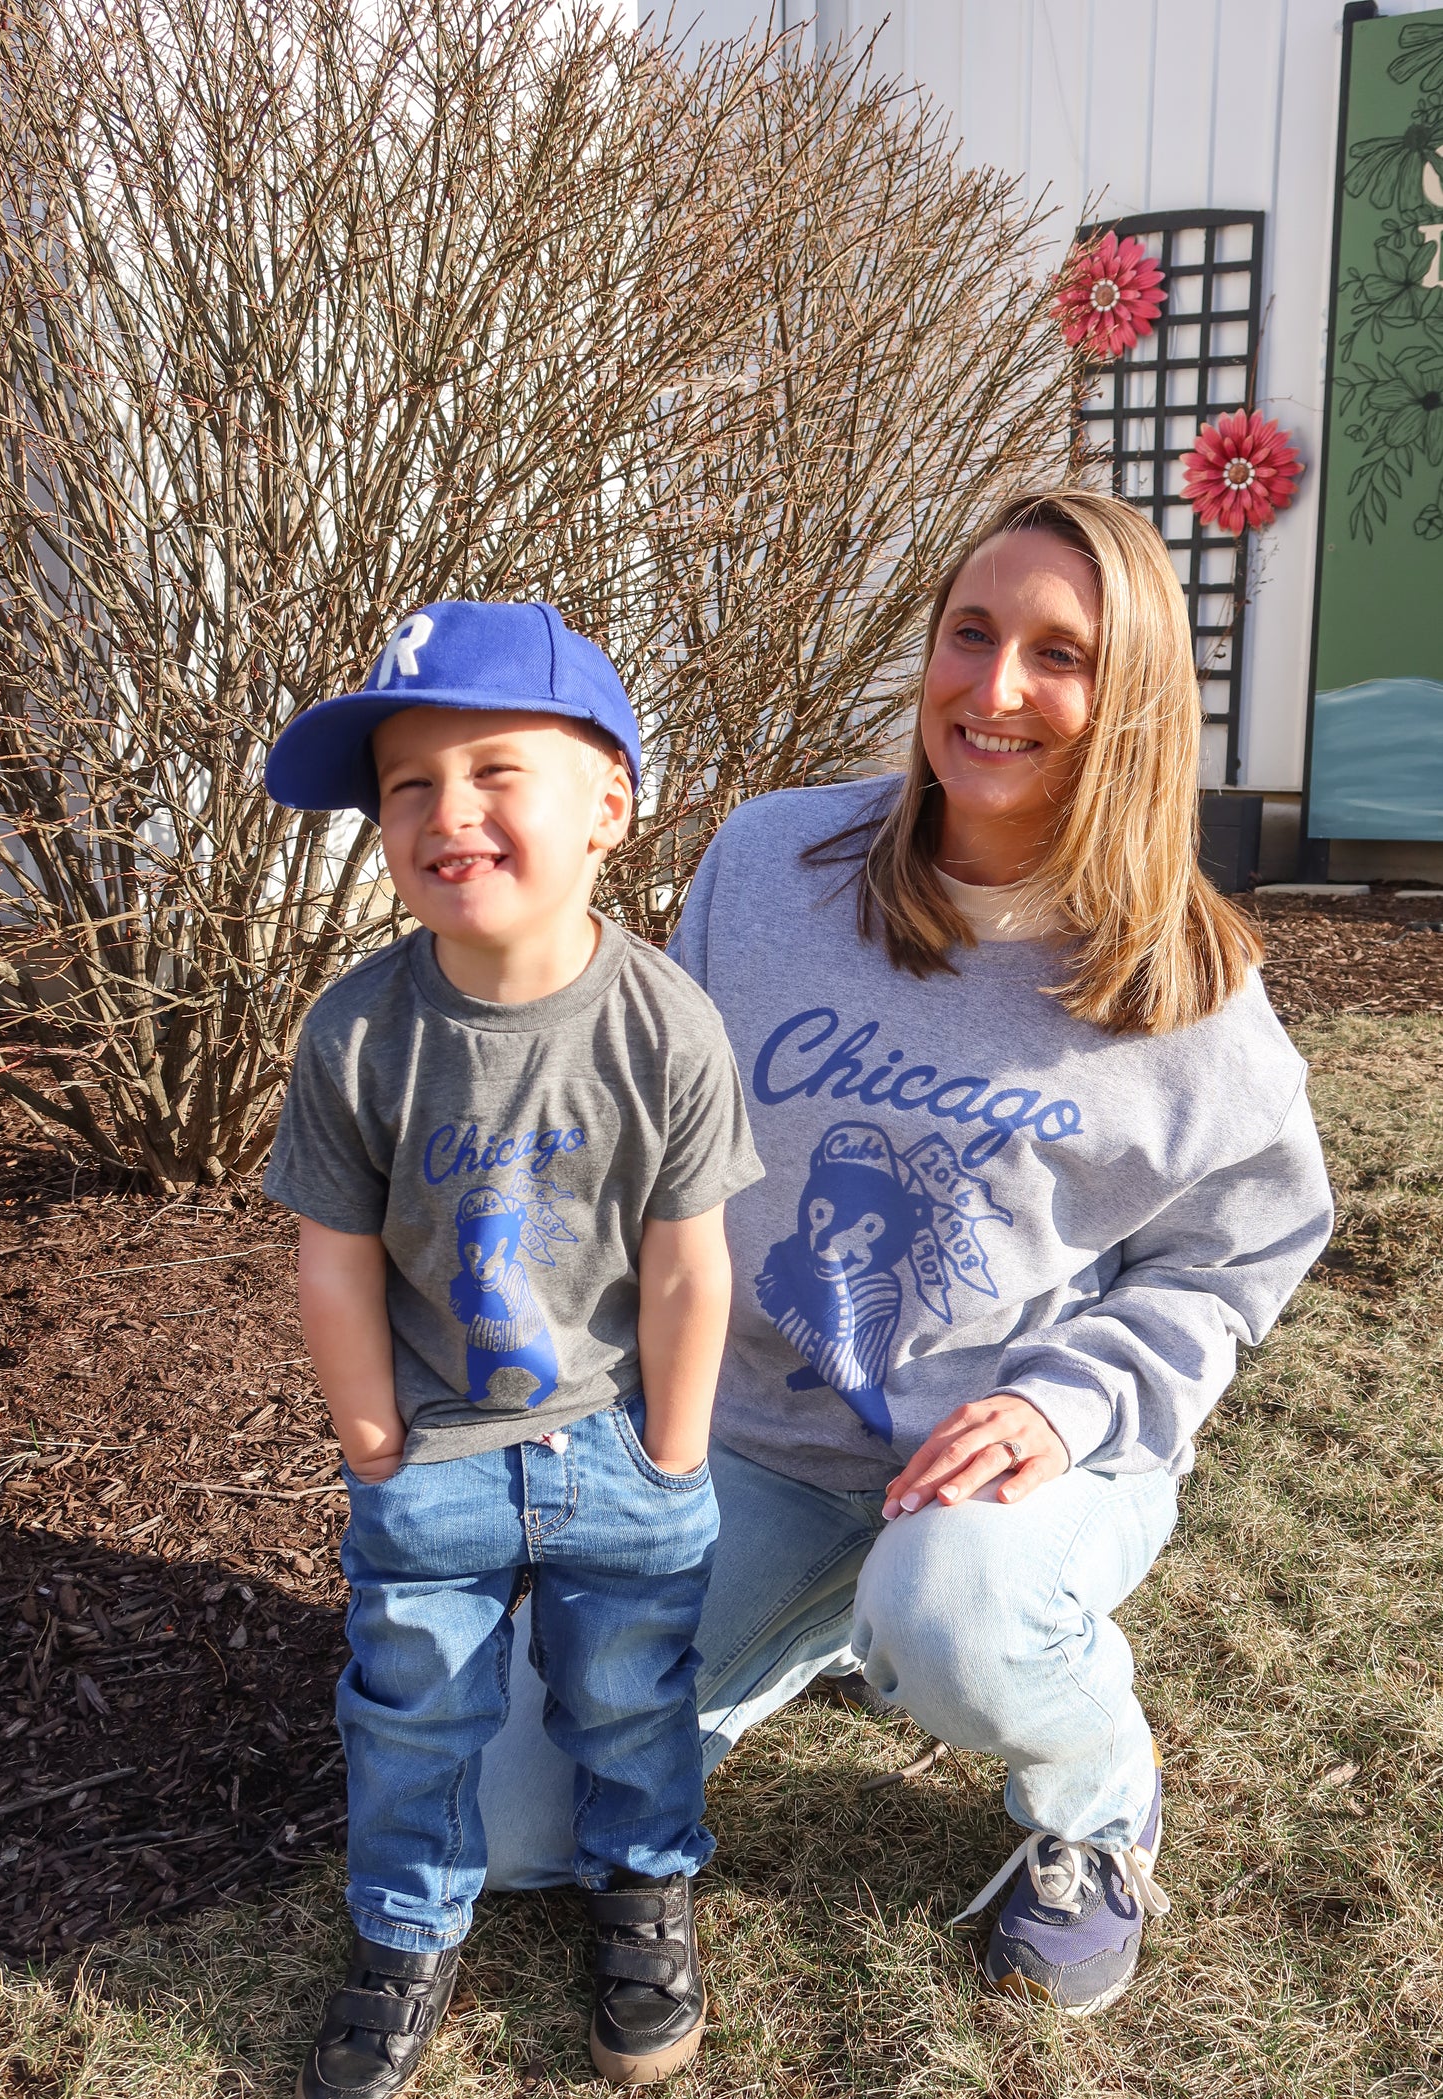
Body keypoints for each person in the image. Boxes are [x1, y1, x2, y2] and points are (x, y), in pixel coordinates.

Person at [469, 488, 1334, 2020]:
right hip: (757, 1441)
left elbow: (1238, 1252)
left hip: (1011, 1465)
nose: (992, 690)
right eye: (970, 633)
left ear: (1126, 696)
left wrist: (1069, 1407)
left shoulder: (1188, 985)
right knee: (509, 1830)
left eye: (1056, 655)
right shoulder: (774, 862)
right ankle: (811, 1614)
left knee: (954, 1615)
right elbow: (668, 1131)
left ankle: (1092, 1801)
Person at [261, 601, 762, 2099]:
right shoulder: (357, 1034)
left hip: (615, 1444)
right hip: (438, 1459)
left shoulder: (664, 1025)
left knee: (628, 1698)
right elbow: (335, 1259)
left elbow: (686, 1261)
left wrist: (675, 1458)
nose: (445, 812)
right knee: (409, 1713)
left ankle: (644, 1892)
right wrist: (369, 1443)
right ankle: (408, 1934)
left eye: (492, 769)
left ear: (607, 805)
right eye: (406, 786)